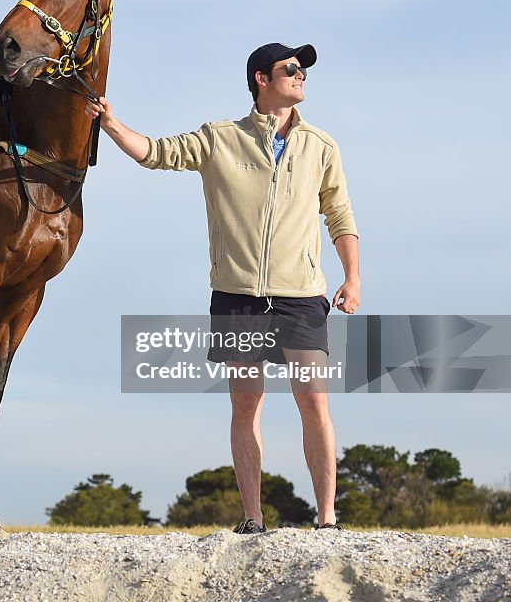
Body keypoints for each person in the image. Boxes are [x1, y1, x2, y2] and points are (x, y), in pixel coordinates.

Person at [88, 42, 359, 533]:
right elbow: (157, 153)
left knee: (314, 400)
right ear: (261, 78)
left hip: (301, 294)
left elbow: (339, 214)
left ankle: (327, 519)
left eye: (304, 71)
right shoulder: (220, 138)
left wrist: (353, 277)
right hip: (237, 297)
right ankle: (252, 518)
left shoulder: (321, 145)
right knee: (246, 402)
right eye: (291, 69)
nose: (301, 76)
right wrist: (112, 125)